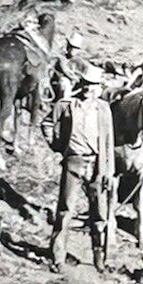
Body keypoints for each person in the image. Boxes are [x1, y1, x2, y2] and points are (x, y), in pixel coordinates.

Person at [46, 64, 115, 272]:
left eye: (93, 85)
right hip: (74, 161)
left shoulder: (103, 109)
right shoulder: (67, 105)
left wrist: (109, 171)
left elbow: (109, 141)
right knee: (66, 208)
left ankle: (99, 257)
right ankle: (58, 256)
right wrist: (57, 145)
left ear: (99, 87)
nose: (88, 89)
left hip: (97, 165)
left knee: (100, 213)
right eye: (85, 84)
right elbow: (47, 123)